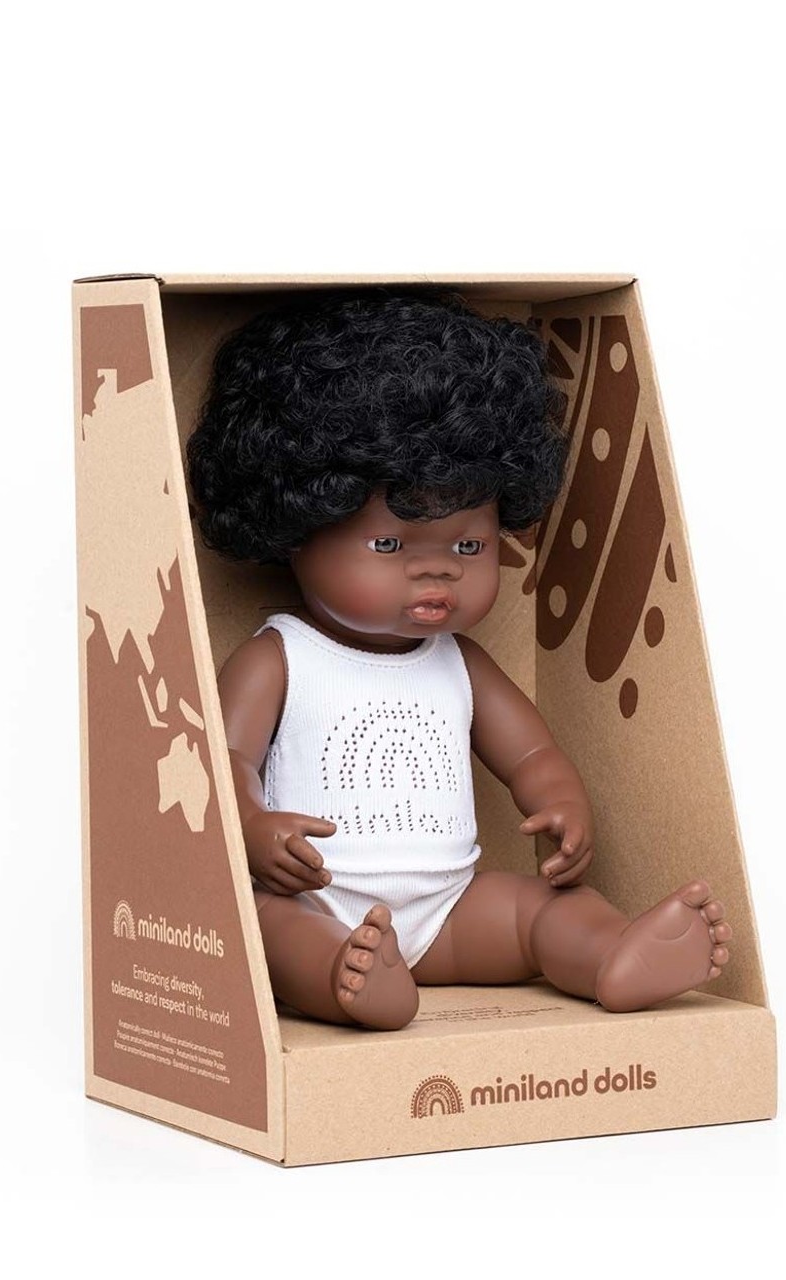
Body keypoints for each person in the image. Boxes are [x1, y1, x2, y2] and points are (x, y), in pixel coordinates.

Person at [186, 288, 731, 1029]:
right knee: (268, 928)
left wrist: (561, 800)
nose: (438, 569)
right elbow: (225, 760)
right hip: (316, 897)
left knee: (543, 910)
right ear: (295, 528)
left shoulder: (459, 662)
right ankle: (347, 979)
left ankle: (614, 955)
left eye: (469, 545)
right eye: (389, 544)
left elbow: (531, 751)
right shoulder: (280, 657)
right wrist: (254, 829)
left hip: (451, 911)